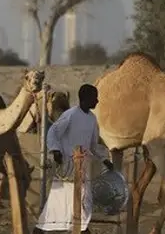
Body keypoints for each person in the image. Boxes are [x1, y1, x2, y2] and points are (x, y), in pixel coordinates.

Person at [34, 83, 113, 233]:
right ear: (86, 98)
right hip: (67, 169)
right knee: (57, 206)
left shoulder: (92, 119)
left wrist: (105, 160)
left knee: (83, 204)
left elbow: (93, 145)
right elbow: (53, 133)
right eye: (95, 98)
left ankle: (82, 229)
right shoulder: (70, 115)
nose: (97, 101)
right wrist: (56, 150)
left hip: (83, 170)